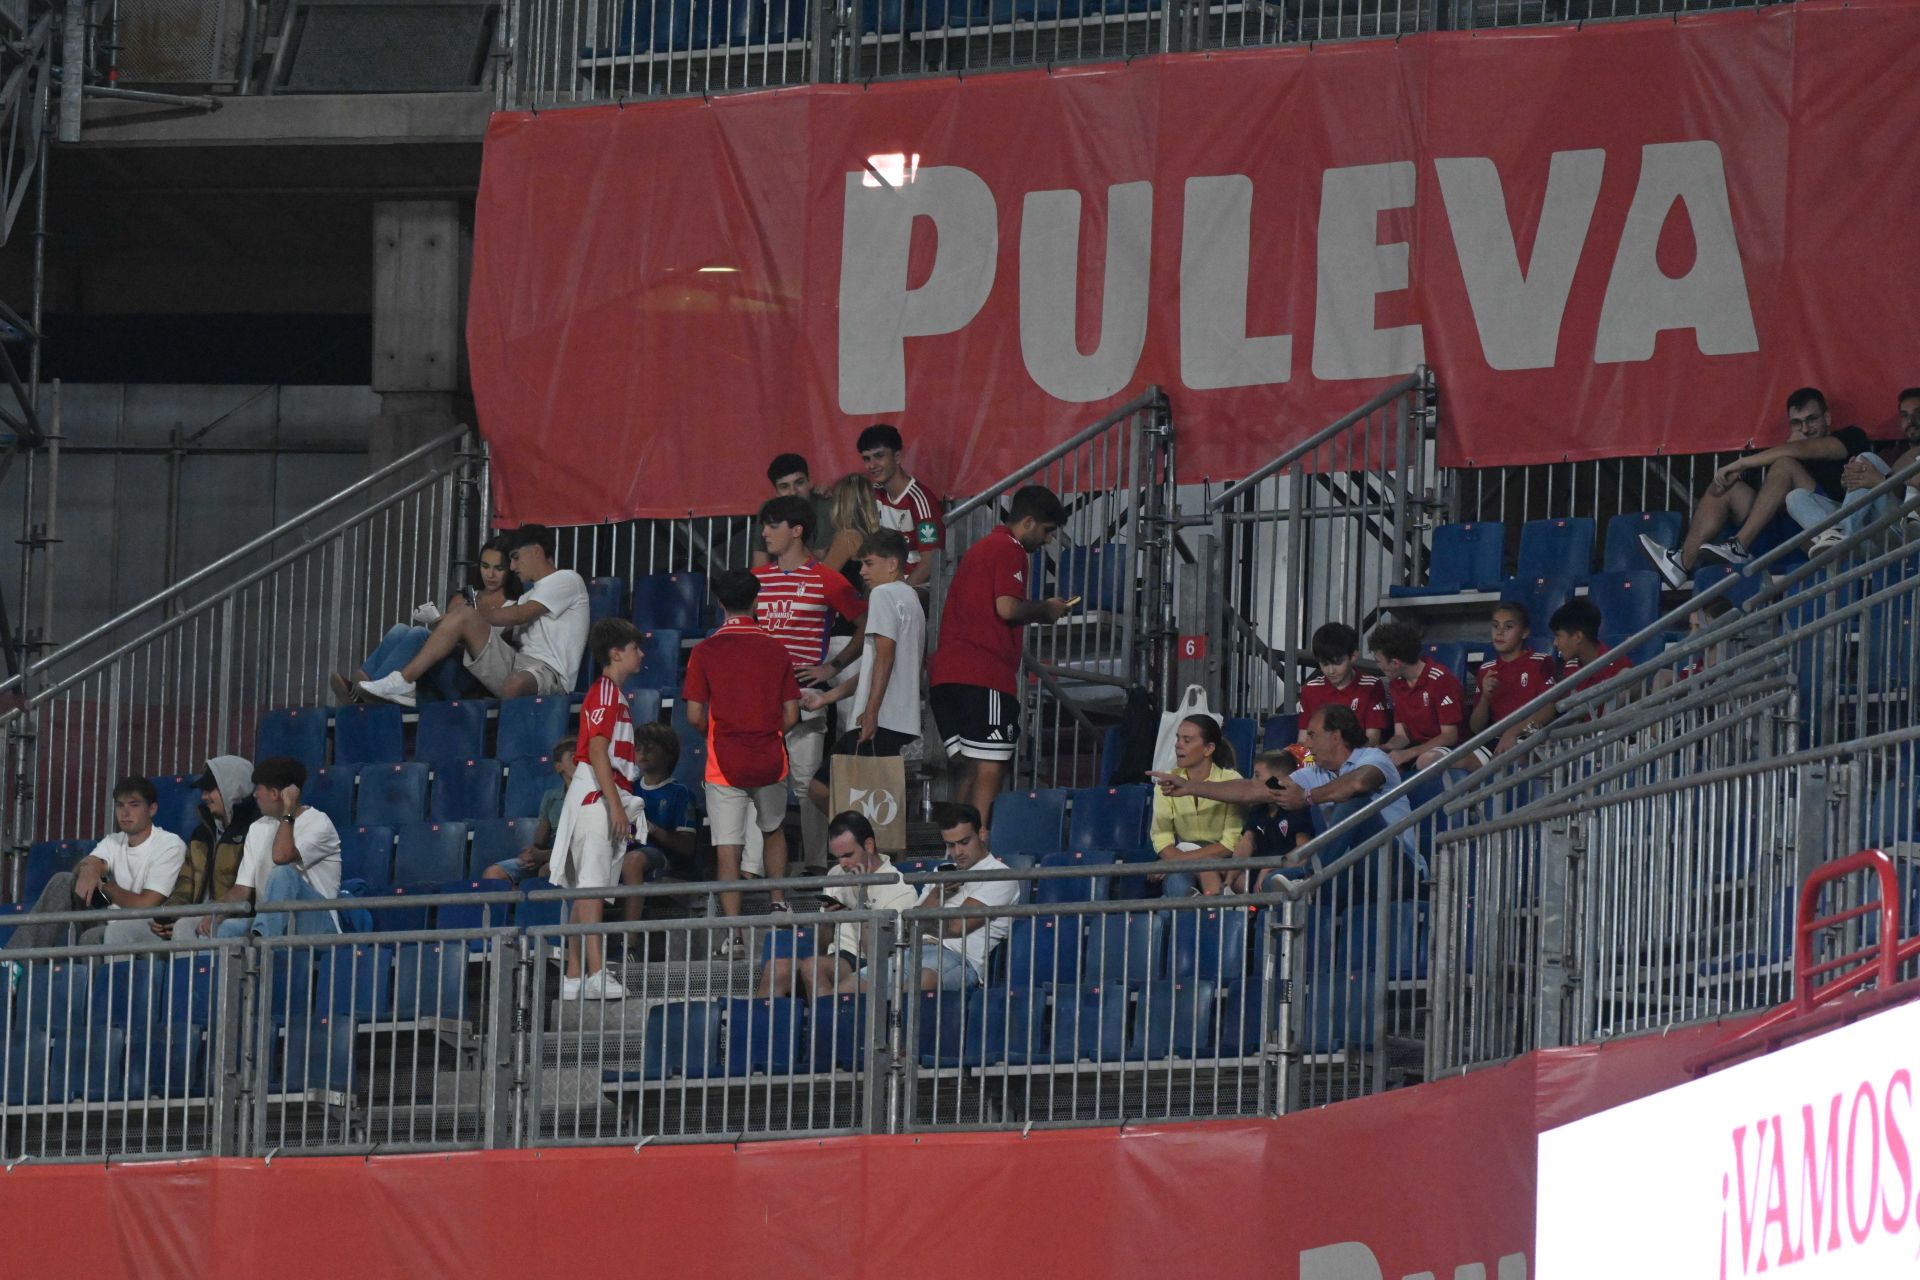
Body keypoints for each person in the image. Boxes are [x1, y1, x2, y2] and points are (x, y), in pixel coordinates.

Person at [927, 485, 1072, 836]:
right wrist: (1047, 609)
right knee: (992, 763)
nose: (1049, 540)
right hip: (984, 674)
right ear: (1027, 522)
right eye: (1048, 530)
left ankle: (953, 845)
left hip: (946, 676)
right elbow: (1007, 608)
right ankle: (978, 844)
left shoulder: (979, 550)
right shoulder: (1010, 548)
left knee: (969, 766)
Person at [1641, 387, 1879, 585]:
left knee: (1785, 464)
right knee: (1728, 488)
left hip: (1824, 533)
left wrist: (1744, 461)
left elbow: (1806, 450)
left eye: (1811, 420)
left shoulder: (1850, 436)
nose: (1806, 429)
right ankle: (1682, 562)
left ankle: (1738, 545)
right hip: (1782, 534)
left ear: (1827, 418)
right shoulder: (1783, 452)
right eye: (1797, 423)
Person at [684, 570, 802, 951]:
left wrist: (719, 733)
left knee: (728, 847)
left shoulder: (705, 651)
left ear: (720, 603)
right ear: (757, 601)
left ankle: (733, 933)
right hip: (770, 756)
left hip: (724, 761)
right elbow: (792, 714)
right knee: (773, 830)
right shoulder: (776, 648)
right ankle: (778, 905)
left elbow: (694, 716)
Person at [1152, 706, 1419, 872]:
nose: (1306, 743)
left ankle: (1314, 874)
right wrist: (1191, 786)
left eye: (1313, 735)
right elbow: (1250, 790)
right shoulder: (1314, 773)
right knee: (1275, 881)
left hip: (1396, 867)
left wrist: (1307, 797)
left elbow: (1358, 783)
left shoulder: (1373, 758)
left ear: (1335, 736)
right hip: (1347, 869)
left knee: (1354, 802)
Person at [753, 494, 869, 872]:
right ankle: (753, 870)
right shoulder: (757, 580)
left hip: (805, 698)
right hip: (761, 699)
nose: (765, 532)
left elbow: (867, 622)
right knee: (760, 782)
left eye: (773, 525)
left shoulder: (825, 578)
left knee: (805, 786)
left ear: (796, 530)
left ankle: (819, 866)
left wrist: (831, 667)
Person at [357, 524, 588, 708]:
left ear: (536, 551)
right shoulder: (530, 595)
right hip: (516, 661)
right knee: (443, 626)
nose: (514, 566)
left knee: (515, 681)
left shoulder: (566, 579)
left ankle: (504, 751)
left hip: (549, 672)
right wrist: (454, 627)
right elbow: (511, 632)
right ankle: (400, 682)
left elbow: (518, 615)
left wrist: (472, 616)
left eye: (516, 558)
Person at [548, 618, 650, 1000]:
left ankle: (574, 976)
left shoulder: (610, 694)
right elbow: (595, 750)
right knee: (591, 890)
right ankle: (595, 972)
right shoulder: (607, 693)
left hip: (599, 796)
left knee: (585, 891)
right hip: (597, 797)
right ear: (616, 653)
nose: (641, 653)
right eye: (635, 647)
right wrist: (613, 805)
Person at [801, 530, 926, 811]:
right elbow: (876, 667)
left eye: (869, 563)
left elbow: (884, 657)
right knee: (879, 812)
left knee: (830, 795)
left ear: (892, 564)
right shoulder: (912, 598)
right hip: (901, 722)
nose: (862, 571)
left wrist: (870, 713)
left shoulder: (883, 594)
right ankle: (865, 850)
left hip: (878, 723)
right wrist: (827, 698)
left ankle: (859, 851)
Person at [3, 777, 186, 951]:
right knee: (64, 881)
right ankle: (13, 962)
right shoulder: (114, 840)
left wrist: (106, 886)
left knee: (91, 938)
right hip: (108, 918)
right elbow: (85, 867)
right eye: (120, 805)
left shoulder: (169, 844)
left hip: (145, 927)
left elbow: (145, 905)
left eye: (134, 805)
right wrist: (90, 869)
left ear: (152, 809)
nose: (125, 812)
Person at [331, 535, 521, 703]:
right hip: (443, 665)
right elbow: (447, 634)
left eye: (499, 568)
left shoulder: (516, 607)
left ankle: (364, 693)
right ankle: (365, 686)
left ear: (510, 570)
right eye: (485, 566)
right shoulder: (464, 596)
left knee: (418, 634)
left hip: (472, 676)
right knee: (400, 629)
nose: (490, 574)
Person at [755, 810, 919, 998]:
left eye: (848, 855)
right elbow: (821, 949)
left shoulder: (898, 887)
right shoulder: (835, 874)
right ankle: (757, 1026)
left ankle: (827, 1025)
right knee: (777, 968)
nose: (843, 863)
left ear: (869, 845)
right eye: (838, 856)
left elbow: (878, 956)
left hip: (871, 964)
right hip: (835, 958)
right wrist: (827, 920)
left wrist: (862, 899)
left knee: (814, 967)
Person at [211, 758, 343, 938]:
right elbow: (241, 889)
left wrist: (288, 811)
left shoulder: (319, 823)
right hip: (275, 923)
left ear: (274, 794)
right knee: (226, 929)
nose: (255, 795)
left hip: (319, 926)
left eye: (258, 788)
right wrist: (214, 916)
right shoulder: (257, 827)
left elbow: (281, 856)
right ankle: (259, 945)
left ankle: (263, 943)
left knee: (282, 873)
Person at [911, 804, 1020, 991]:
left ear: (982, 834)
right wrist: (938, 894)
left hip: (958, 959)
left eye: (964, 842)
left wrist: (923, 924)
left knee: (920, 982)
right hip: (915, 951)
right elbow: (911, 927)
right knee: (852, 985)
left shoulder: (1002, 875)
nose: (958, 852)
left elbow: (955, 927)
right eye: (951, 845)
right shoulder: (941, 873)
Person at [1800, 387, 1920, 552]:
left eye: (1918, 413)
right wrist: (1848, 483)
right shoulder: (1889, 454)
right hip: (1875, 532)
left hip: (1907, 528)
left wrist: (1879, 481)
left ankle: (1842, 538)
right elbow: (1867, 496)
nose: (1911, 420)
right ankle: (1836, 537)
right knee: (1796, 497)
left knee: (1865, 458)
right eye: (1905, 415)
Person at [152, 756, 259, 940]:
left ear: (232, 787)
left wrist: (197, 917)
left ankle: (186, 969)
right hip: (192, 917)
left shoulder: (255, 831)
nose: (204, 797)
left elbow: (246, 895)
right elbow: (185, 886)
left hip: (230, 919)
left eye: (210, 789)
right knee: (120, 931)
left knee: (185, 928)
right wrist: (168, 916)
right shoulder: (200, 835)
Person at [1150, 715, 1245, 898]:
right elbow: (1162, 839)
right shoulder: (1166, 781)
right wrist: (1179, 860)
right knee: (1177, 882)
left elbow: (1229, 844)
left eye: (1187, 740)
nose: (1178, 745)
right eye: (1178, 738)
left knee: (1189, 873)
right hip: (1182, 853)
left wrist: (1176, 861)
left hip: (1222, 860)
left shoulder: (1232, 781)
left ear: (1208, 749)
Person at [615, 722, 699, 924]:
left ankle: (630, 941)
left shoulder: (680, 793)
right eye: (639, 748)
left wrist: (651, 828)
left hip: (663, 856)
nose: (643, 753)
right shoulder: (629, 789)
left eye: (650, 748)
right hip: (625, 847)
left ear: (668, 754)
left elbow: (686, 847)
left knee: (633, 861)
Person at [1368, 622, 1467, 771]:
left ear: (1395, 663)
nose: (1378, 666)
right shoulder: (1396, 684)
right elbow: (1402, 736)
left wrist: (1408, 753)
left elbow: (1449, 736)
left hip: (1451, 748)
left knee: (1426, 761)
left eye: (1378, 661)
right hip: (1416, 748)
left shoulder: (1441, 680)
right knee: (1375, 763)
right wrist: (1386, 747)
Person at [1468, 601, 1558, 759]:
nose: (1499, 633)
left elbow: (1549, 708)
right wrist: (1484, 698)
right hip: (1494, 740)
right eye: (1495, 626)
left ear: (1524, 633)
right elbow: (1476, 727)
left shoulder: (1540, 662)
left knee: (1515, 756)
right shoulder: (1485, 670)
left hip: (1528, 735)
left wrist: (1514, 731)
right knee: (1454, 763)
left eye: (1508, 627)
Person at [858, 424, 944, 586]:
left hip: (918, 587)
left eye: (879, 456)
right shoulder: (874, 494)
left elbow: (930, 563)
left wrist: (901, 593)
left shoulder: (920, 499)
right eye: (867, 459)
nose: (872, 465)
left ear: (897, 457)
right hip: (885, 584)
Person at [481, 739, 575, 886]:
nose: (579, 761)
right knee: (493, 873)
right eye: (573, 757)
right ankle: (525, 905)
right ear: (558, 767)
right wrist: (532, 853)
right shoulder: (551, 797)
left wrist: (543, 856)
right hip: (551, 854)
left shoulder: (593, 796)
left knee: (547, 871)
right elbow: (541, 838)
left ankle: (537, 905)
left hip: (573, 856)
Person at [757, 453, 859, 571]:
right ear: (776, 493)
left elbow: (822, 568)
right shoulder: (769, 509)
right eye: (784, 486)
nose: (793, 492)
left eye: (799, 483)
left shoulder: (825, 506)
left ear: (809, 482)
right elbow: (760, 563)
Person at [1234, 747, 1315, 892]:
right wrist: (1230, 874)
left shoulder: (1297, 809)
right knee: (1231, 876)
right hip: (1255, 874)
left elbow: (1304, 850)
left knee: (1273, 880)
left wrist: (1272, 866)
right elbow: (1246, 842)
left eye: (1257, 776)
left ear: (1277, 781)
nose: (1252, 781)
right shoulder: (1258, 809)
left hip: (1282, 872)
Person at [1297, 623, 1390, 747]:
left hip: (1359, 758)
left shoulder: (1371, 686)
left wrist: (1342, 757)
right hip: (1320, 760)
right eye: (1324, 664)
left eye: (1337, 663)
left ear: (1353, 656)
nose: (1331, 671)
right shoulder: (1310, 689)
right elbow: (1304, 739)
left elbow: (1373, 739)